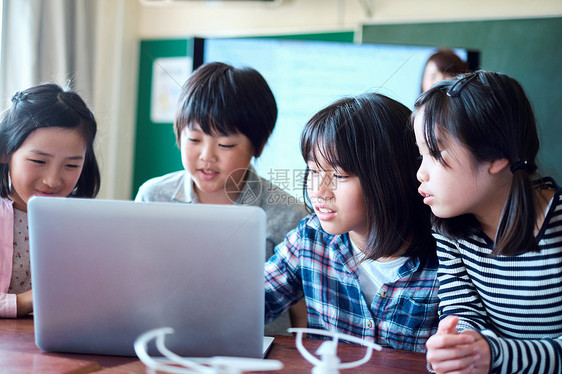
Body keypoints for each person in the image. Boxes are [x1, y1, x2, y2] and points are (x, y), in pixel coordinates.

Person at [135, 62, 308, 335]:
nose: (207, 156)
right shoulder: (153, 196)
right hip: (166, 340)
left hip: (262, 354)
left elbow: (303, 316)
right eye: (194, 139)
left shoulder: (290, 215)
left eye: (225, 144)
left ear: (258, 146)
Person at [264, 92, 439, 352]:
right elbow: (254, 302)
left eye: (339, 175)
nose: (319, 191)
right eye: (313, 171)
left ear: (391, 177)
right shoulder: (310, 238)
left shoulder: (446, 260)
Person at [413, 71, 562, 373]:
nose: (420, 173)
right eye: (420, 154)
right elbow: (461, 310)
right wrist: (460, 344)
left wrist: (494, 354)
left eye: (435, 153)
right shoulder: (449, 225)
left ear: (495, 157)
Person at [0, 83, 101, 318]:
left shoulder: (83, 222)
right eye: (38, 161)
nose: (52, 180)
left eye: (71, 165)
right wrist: (27, 301)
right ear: (5, 151)